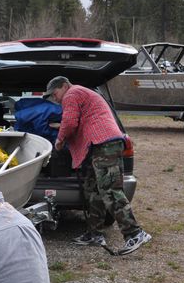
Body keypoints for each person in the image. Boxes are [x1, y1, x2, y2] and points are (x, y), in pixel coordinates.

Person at [45, 76, 151, 255]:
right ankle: (95, 234)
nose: (55, 99)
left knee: (110, 190)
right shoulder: (82, 93)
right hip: (100, 146)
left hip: (105, 144)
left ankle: (135, 233)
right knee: (92, 190)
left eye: (54, 94)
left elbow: (70, 122)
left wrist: (59, 141)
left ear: (64, 86)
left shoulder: (72, 93)